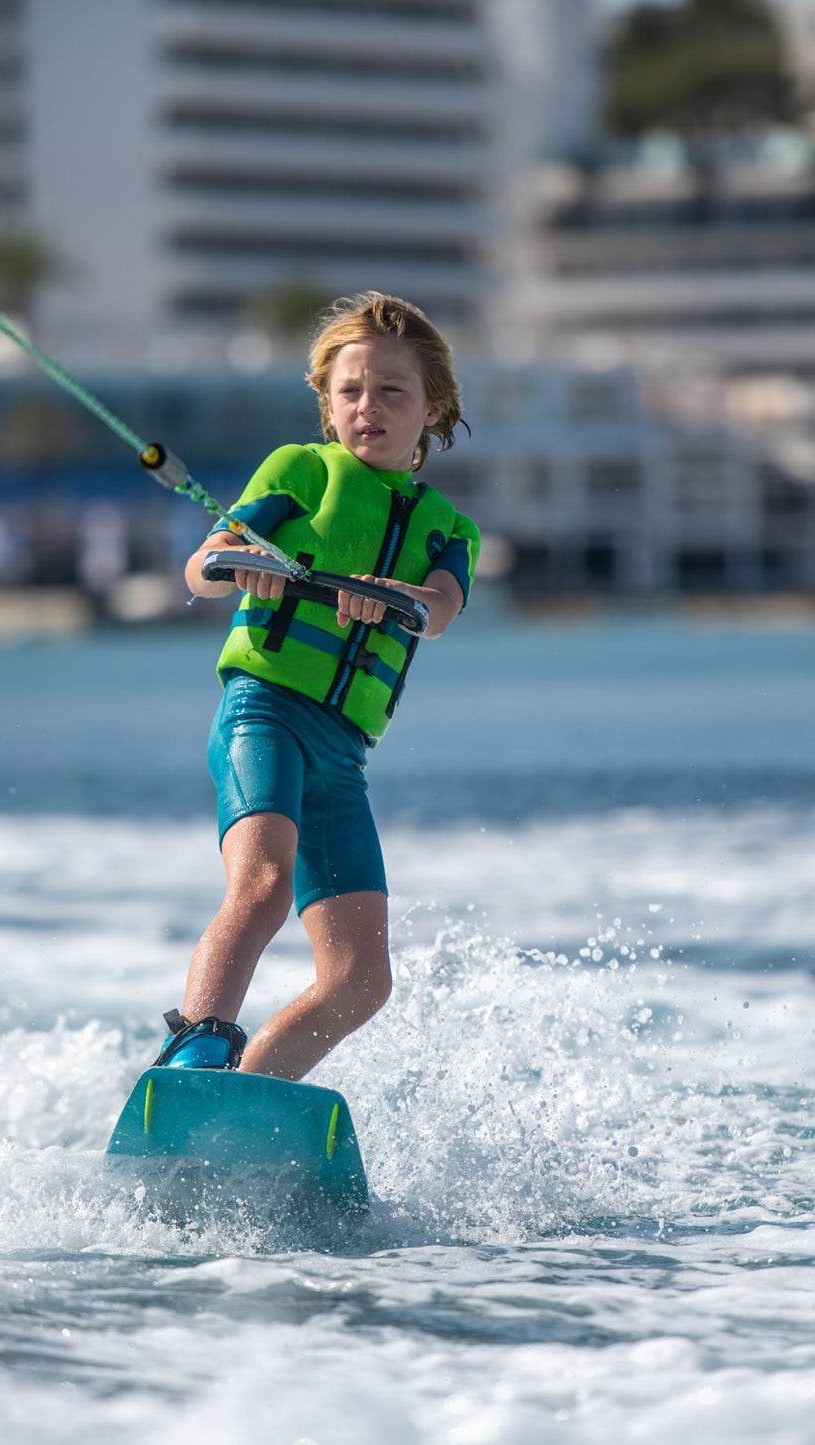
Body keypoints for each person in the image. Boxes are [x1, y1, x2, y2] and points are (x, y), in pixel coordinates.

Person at [156, 292, 481, 1081]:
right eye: (350, 391)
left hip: (341, 755)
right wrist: (245, 567)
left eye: (392, 392)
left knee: (360, 979)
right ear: (326, 404)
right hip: (262, 712)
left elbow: (439, 609)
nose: (368, 406)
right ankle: (196, 1049)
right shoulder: (297, 470)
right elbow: (203, 567)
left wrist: (395, 597)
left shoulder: (448, 527)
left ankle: (251, 1095)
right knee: (263, 884)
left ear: (431, 407)